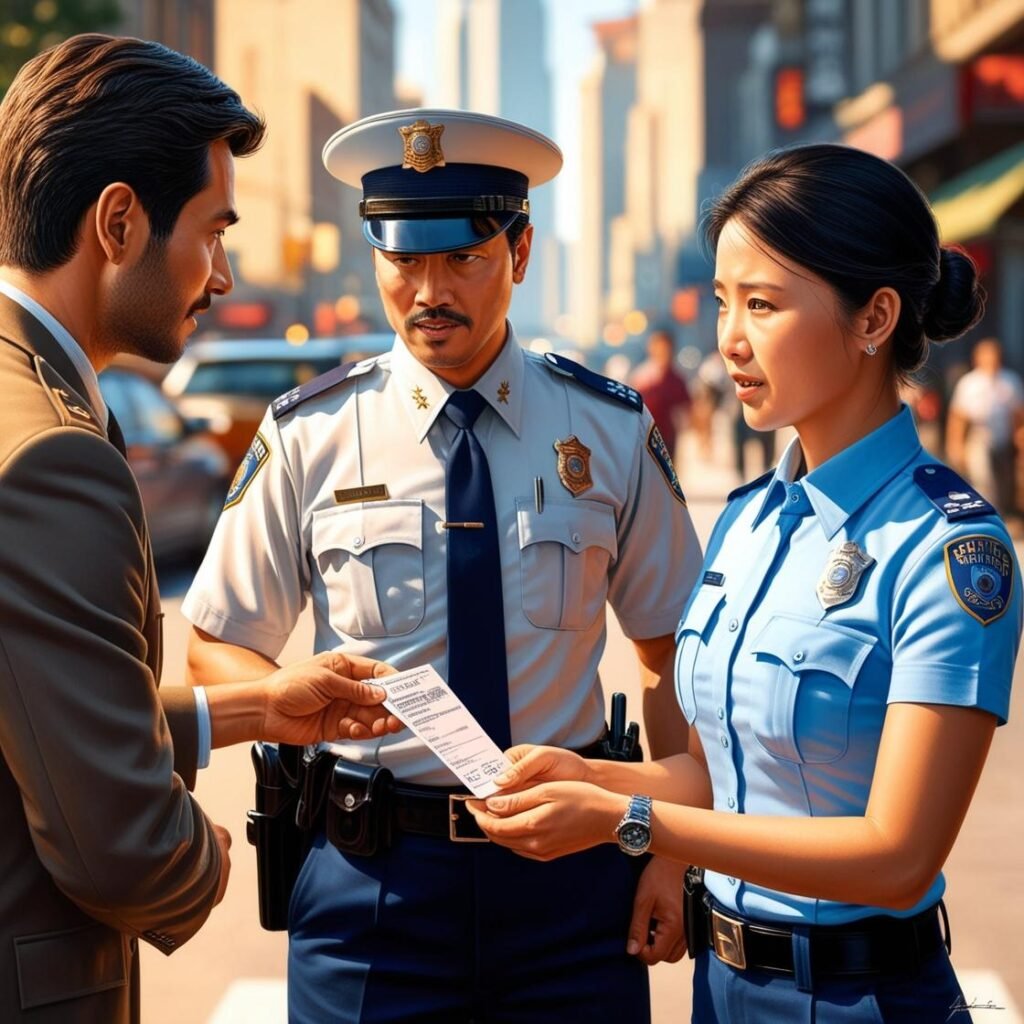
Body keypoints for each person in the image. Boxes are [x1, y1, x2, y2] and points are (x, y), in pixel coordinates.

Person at [469, 144, 1021, 1023]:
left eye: (762, 305)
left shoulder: (948, 550)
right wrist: (591, 778)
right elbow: (723, 774)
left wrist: (630, 826)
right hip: (721, 990)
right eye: (724, 302)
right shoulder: (751, 518)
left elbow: (896, 854)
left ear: (875, 316)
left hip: (860, 996)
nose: (728, 338)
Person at [183, 108, 703, 1022]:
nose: (429, 290)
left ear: (522, 251)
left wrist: (669, 847)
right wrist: (290, 695)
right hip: (371, 882)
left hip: (572, 880)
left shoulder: (608, 430)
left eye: (462, 256)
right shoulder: (311, 432)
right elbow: (216, 644)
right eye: (403, 259)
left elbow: (675, 657)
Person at [0, 36, 399, 1024]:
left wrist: (255, 709)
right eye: (212, 232)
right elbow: (119, 843)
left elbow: (38, 719)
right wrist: (199, 861)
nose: (220, 277)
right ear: (121, 222)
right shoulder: (52, 455)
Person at [946, 337, 1024, 522]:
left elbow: (1018, 414)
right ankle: (987, 518)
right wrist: (955, 446)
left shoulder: (1010, 380)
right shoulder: (969, 383)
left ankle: (1003, 515)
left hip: (1004, 436)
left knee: (1005, 481)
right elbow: (958, 418)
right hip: (979, 435)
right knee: (983, 478)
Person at [629, 327, 692, 459]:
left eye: (665, 348)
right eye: (658, 347)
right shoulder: (641, 376)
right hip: (644, 436)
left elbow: (686, 408)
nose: (662, 351)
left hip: (667, 437)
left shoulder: (676, 378)